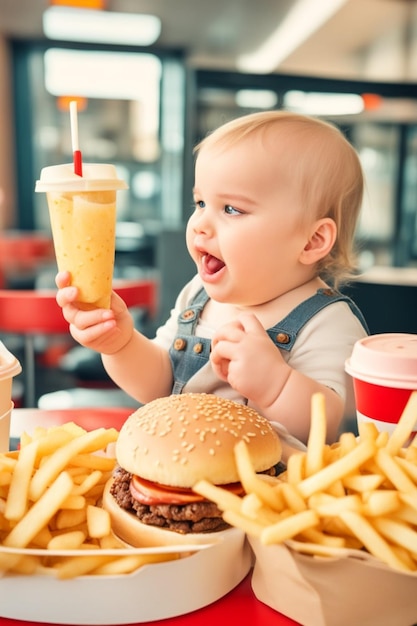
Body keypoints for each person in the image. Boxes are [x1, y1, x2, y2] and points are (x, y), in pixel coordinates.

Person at [56, 110, 368, 444]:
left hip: (270, 492)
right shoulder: (198, 296)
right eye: (201, 202)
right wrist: (120, 345)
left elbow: (334, 427)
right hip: (176, 479)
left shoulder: (329, 322)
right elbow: (160, 385)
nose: (200, 223)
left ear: (312, 240)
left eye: (232, 209)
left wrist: (276, 384)